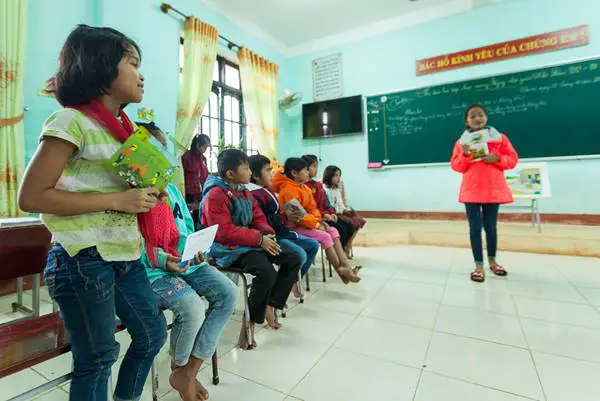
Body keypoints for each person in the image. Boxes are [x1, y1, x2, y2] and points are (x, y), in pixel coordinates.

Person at [18, 25, 166, 401]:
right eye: (132, 63)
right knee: (98, 358)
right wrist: (118, 201)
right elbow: (32, 196)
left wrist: (146, 194)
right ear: (101, 69)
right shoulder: (71, 121)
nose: (141, 74)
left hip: (125, 256)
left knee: (152, 334)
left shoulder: (126, 130)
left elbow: (119, 189)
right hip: (82, 259)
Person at [137, 123, 237, 401]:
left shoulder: (172, 189)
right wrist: (162, 258)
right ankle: (179, 367)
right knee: (192, 307)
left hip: (188, 262)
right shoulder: (132, 193)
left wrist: (198, 249)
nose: (162, 157)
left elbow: (186, 227)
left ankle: (189, 372)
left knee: (229, 293)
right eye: (153, 150)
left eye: (163, 150)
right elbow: (132, 244)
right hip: (152, 271)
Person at [200, 149, 301, 349]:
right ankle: (249, 326)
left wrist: (266, 233)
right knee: (266, 272)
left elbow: (257, 217)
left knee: (293, 258)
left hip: (248, 243)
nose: (249, 173)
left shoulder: (244, 191)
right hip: (226, 250)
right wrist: (258, 239)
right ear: (230, 174)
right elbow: (224, 232)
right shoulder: (215, 195)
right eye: (245, 168)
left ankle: (270, 304)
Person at [450, 104, 519, 283]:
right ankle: (478, 265)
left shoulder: (499, 138)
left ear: (486, 117)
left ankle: (493, 262)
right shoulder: (461, 142)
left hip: (492, 190)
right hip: (471, 190)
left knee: (491, 227)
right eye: (472, 116)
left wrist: (498, 159)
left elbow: (512, 159)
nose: (477, 118)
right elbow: (456, 166)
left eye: (480, 115)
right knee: (474, 229)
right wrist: (464, 155)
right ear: (467, 121)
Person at [272, 157, 360, 284]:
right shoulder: (287, 191)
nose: (308, 173)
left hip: (308, 224)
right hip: (294, 227)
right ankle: (341, 271)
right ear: (294, 173)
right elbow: (299, 216)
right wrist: (316, 224)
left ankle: (345, 266)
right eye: (305, 170)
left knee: (333, 230)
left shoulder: (304, 188)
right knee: (325, 237)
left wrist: (318, 220)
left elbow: (313, 209)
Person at [248, 154, 319, 302]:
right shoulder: (254, 194)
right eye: (268, 170)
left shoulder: (267, 191)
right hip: (272, 236)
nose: (272, 173)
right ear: (255, 175)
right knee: (300, 255)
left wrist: (285, 216)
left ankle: (291, 281)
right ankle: (281, 289)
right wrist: (285, 217)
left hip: (282, 231)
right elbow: (262, 222)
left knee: (312, 245)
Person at [302, 155, 356, 256]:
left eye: (316, 166)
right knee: (341, 230)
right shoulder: (304, 187)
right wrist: (324, 215)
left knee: (349, 226)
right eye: (314, 166)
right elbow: (310, 208)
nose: (316, 169)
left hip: (326, 215)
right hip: (316, 218)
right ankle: (337, 256)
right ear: (305, 168)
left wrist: (331, 212)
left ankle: (342, 254)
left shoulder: (317, 185)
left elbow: (327, 203)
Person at [322, 165, 367, 258]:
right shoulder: (325, 190)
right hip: (334, 214)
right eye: (336, 175)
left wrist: (347, 210)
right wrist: (343, 212)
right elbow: (330, 206)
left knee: (359, 220)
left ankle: (347, 245)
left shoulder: (336, 189)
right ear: (329, 176)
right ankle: (341, 249)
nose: (339, 178)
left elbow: (340, 204)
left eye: (340, 175)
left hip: (340, 212)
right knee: (348, 226)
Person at [182, 134, 211, 228]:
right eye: (204, 147)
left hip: (201, 193)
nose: (205, 149)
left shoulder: (203, 158)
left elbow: (205, 175)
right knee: (189, 218)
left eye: (206, 147)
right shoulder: (186, 156)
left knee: (199, 216)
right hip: (189, 193)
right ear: (198, 144)